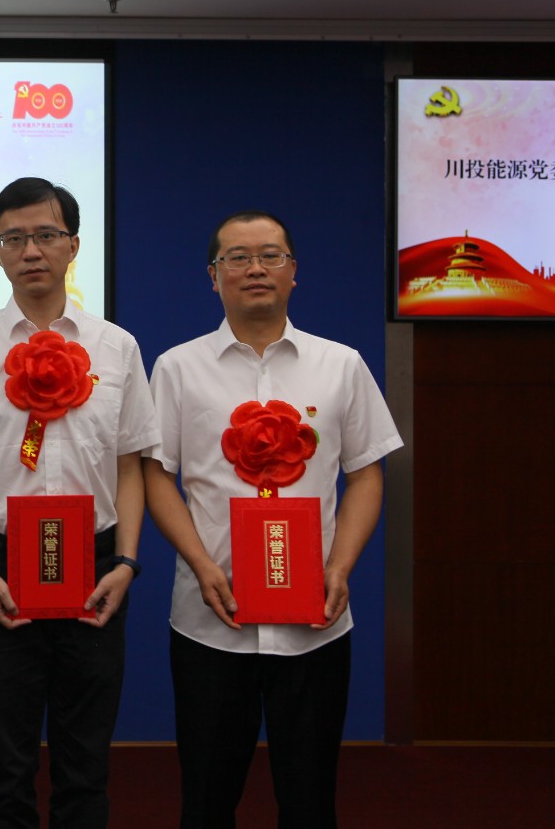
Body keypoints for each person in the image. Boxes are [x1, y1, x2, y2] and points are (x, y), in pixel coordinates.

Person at [144, 211, 402, 829]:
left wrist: (340, 566)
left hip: (315, 618)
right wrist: (200, 564)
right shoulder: (177, 367)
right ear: (213, 276)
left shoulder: (341, 364)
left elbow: (367, 474)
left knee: (310, 799)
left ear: (293, 271)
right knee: (206, 799)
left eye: (270, 255)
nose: (255, 268)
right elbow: (155, 475)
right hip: (212, 618)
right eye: (237, 257)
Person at [0, 177, 157, 828]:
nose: (31, 251)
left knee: (86, 761)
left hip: (96, 566)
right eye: (14, 239)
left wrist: (126, 563)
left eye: (47, 235)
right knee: (7, 762)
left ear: (73, 246)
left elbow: (131, 462)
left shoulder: (115, 347)